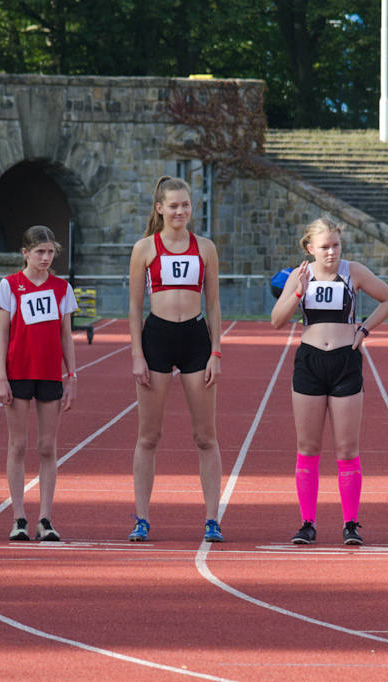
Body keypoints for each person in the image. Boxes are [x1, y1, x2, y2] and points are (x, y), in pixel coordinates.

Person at [271, 218, 388, 545]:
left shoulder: (353, 271)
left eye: (336, 246)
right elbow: (276, 320)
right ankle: (307, 522)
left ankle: (350, 524)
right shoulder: (302, 275)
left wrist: (364, 329)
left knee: (346, 448)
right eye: (325, 247)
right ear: (310, 248)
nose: (331, 252)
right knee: (308, 447)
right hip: (310, 361)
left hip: (345, 362)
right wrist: (297, 289)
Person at [127, 176, 224, 542]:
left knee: (205, 436)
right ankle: (141, 518)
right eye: (174, 206)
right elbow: (135, 307)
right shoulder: (145, 249)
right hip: (157, 339)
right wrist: (137, 354)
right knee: (149, 436)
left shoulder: (206, 248)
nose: (181, 211)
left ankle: (212, 519)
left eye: (186, 205)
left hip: (196, 340)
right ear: (160, 209)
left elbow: (213, 304)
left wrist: (216, 351)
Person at [0, 225, 78, 542]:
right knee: (18, 444)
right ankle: (18, 518)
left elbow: (66, 337)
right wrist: (0, 376)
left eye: (50, 252)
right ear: (25, 253)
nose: (45, 257)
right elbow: (3, 334)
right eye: (39, 252)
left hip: (49, 375)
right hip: (18, 372)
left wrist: (72, 376)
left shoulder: (61, 288)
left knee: (47, 447)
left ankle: (45, 519)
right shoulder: (10, 286)